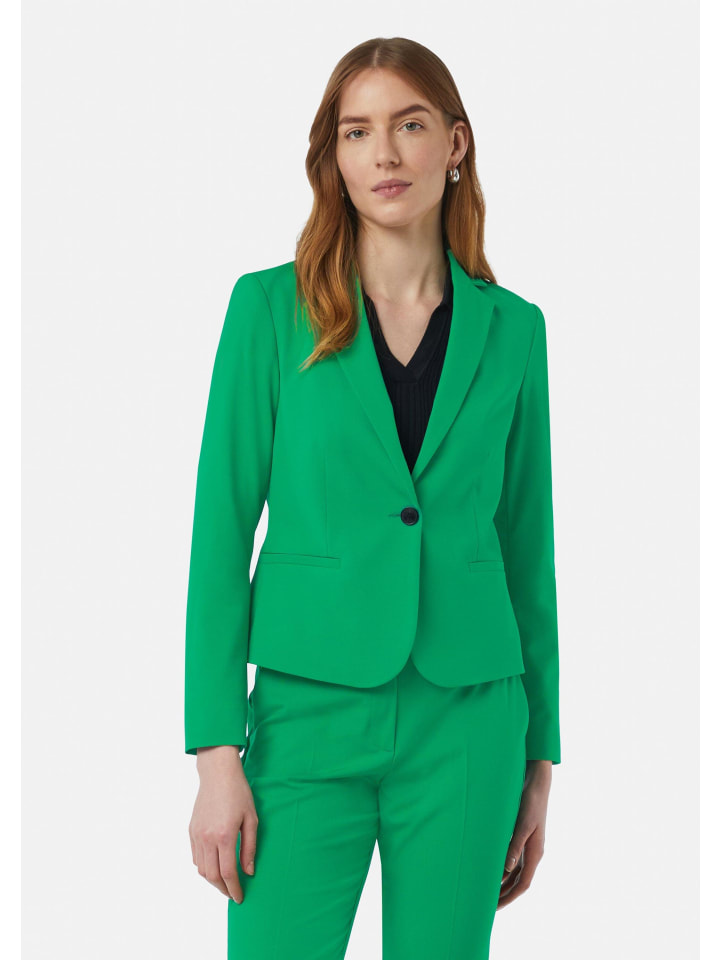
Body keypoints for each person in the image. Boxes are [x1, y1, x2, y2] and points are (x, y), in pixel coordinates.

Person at [185, 36, 561, 960]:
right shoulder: (268, 311)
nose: (384, 154)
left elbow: (528, 546)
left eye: (410, 125)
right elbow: (220, 534)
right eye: (357, 132)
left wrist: (540, 757)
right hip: (306, 714)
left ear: (455, 144)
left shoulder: (514, 330)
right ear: (335, 155)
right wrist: (215, 753)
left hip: (468, 720)